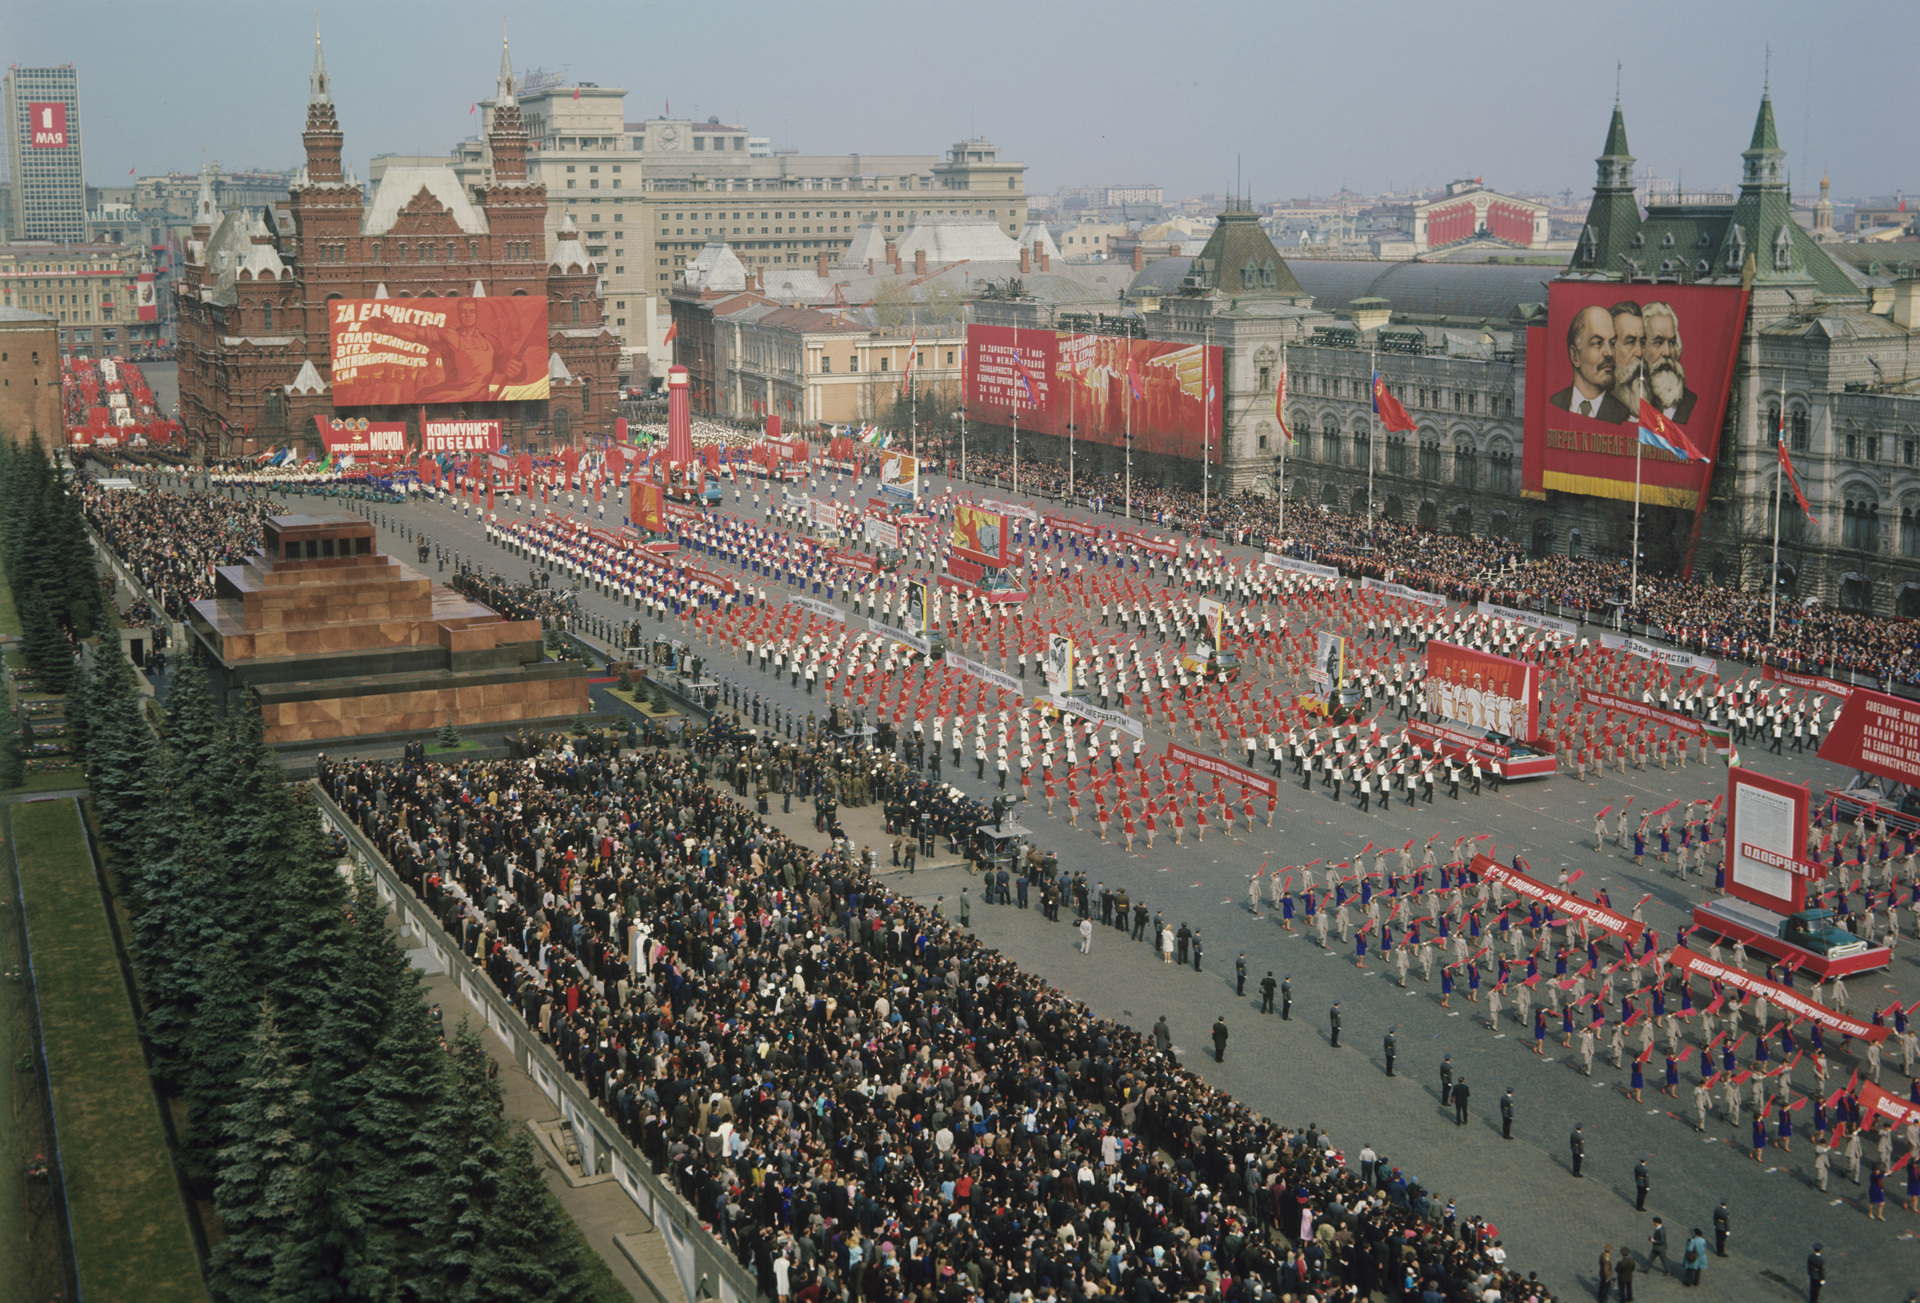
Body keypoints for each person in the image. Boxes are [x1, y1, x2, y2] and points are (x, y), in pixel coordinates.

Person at [1549, 304, 1632, 423]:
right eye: (1598, 343)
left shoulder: (1625, 416)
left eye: (1612, 344)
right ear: (1575, 356)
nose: (1609, 353)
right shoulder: (1554, 404)